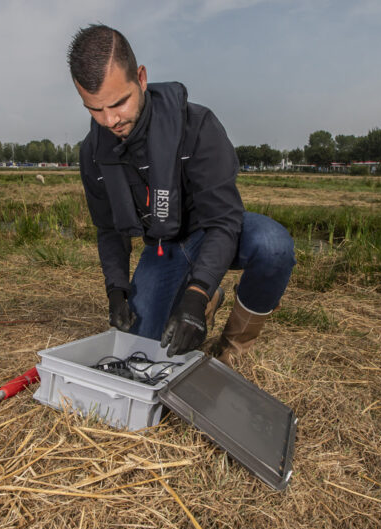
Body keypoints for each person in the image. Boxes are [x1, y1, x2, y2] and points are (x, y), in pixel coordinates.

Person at [68, 24, 295, 366]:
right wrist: (116, 289)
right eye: (94, 109)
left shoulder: (197, 126)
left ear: (141, 78)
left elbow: (223, 222)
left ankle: (234, 346)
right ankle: (209, 297)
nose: (110, 120)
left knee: (273, 246)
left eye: (119, 103)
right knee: (140, 346)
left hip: (214, 232)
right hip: (165, 246)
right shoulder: (93, 153)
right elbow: (109, 230)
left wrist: (195, 292)